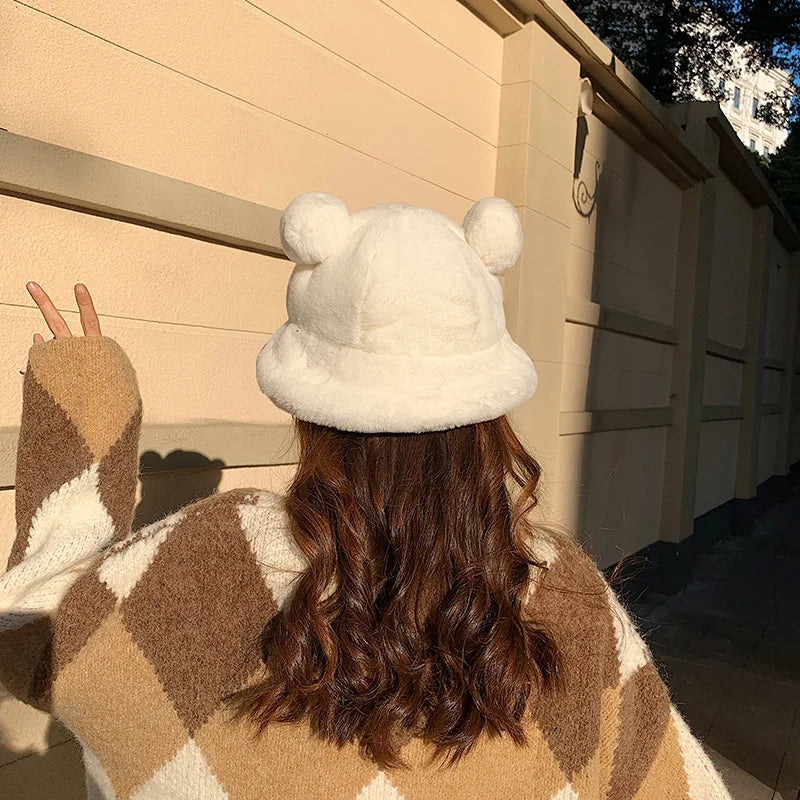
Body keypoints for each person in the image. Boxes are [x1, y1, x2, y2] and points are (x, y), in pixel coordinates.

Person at [0, 193, 730, 799]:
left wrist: (84, 405)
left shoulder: (200, 565)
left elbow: (28, 630)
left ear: (307, 403)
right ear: (488, 414)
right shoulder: (556, 596)